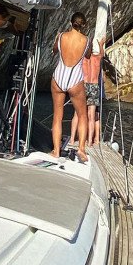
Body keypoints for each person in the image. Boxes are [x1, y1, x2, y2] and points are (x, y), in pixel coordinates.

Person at [51, 12, 89, 163]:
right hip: (75, 78)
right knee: (82, 115)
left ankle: (55, 151)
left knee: (57, 116)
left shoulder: (61, 36)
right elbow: (87, 56)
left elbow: (54, 51)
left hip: (58, 76)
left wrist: (57, 41)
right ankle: (81, 149)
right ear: (84, 25)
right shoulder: (86, 40)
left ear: (70, 22)